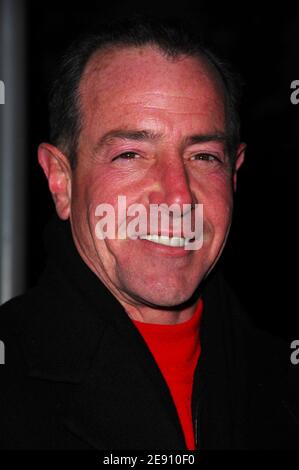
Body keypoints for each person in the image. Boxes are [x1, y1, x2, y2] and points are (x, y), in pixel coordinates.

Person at [0, 16, 298, 451]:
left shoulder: (282, 382)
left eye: (203, 157)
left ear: (234, 175)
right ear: (61, 181)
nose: (179, 199)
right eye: (131, 154)